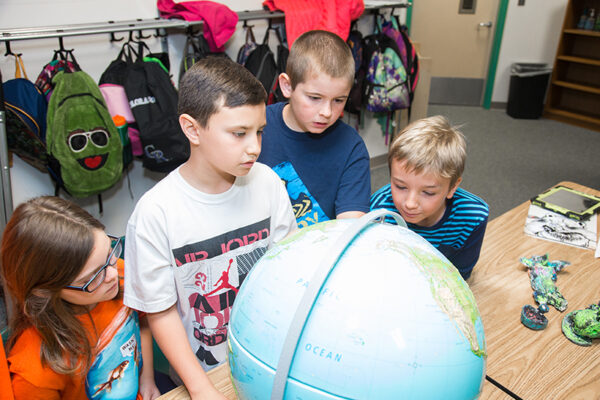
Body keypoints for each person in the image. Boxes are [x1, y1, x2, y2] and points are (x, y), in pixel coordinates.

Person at [124, 57, 297, 399]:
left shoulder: (268, 183)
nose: (255, 147)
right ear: (192, 129)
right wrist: (201, 389)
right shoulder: (155, 213)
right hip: (202, 374)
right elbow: (160, 312)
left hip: (267, 358)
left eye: (259, 131)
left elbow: (286, 273)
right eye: (239, 133)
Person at [1, 196, 159, 400]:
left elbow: (143, 318)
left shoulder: (114, 272)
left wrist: (147, 378)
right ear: (44, 291)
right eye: (92, 277)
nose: (112, 275)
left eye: (110, 253)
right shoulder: (33, 365)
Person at [258, 30, 371, 228]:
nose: (327, 112)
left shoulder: (352, 147)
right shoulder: (257, 127)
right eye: (315, 98)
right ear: (287, 86)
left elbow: (350, 228)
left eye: (338, 100)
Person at [370, 116, 489, 280]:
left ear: (452, 187)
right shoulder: (378, 211)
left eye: (428, 192)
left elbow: (461, 274)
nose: (410, 203)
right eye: (400, 186)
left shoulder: (473, 216)